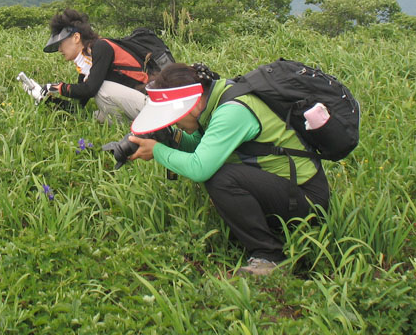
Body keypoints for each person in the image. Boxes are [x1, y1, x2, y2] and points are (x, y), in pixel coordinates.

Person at [127, 62, 330, 276]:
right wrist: (171, 139)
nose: (175, 123)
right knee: (220, 171)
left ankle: (270, 257)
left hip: (308, 200)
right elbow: (201, 147)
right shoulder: (215, 100)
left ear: (192, 104)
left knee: (220, 178)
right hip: (285, 189)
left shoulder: (232, 113)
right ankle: (261, 230)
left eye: (175, 118)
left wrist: (157, 151)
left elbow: (200, 168)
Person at [42, 9, 147, 125]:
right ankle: (134, 127)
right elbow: (77, 107)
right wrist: (49, 100)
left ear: (76, 37)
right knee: (95, 116)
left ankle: (138, 128)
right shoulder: (86, 67)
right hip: (134, 105)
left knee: (102, 89)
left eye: (60, 43)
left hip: (151, 105)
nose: (59, 49)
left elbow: (90, 89)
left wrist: (57, 88)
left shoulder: (101, 47)